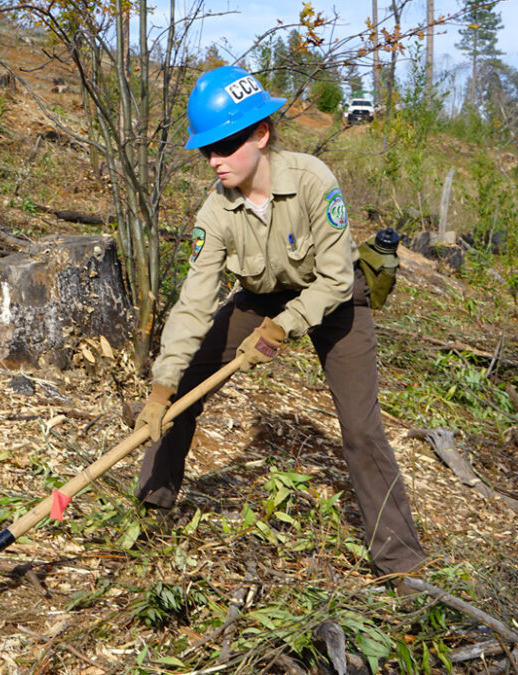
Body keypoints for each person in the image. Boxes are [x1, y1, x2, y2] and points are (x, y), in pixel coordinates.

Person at [132, 65, 426, 586]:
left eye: (224, 146)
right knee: (185, 386)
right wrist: (161, 385)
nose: (214, 161)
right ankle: (150, 510)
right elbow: (193, 303)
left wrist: (283, 326)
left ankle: (401, 564)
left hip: (336, 300)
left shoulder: (314, 181)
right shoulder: (215, 213)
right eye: (206, 151)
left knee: (360, 428)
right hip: (262, 295)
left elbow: (336, 280)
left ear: (261, 134)